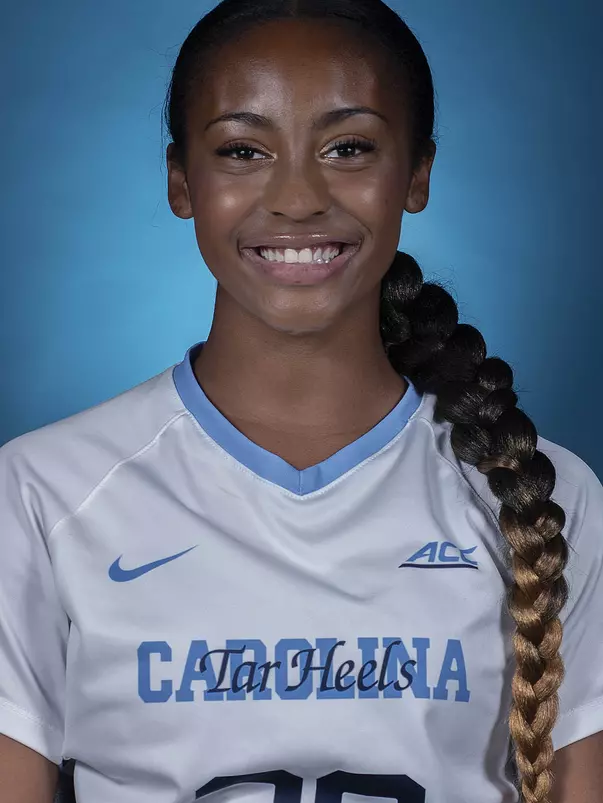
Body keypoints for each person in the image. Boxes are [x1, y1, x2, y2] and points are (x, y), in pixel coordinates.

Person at [0, 1, 602, 801]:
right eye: (243, 150)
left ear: (416, 174)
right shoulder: (43, 493)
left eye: (347, 147)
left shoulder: (546, 497)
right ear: (181, 179)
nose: (295, 197)